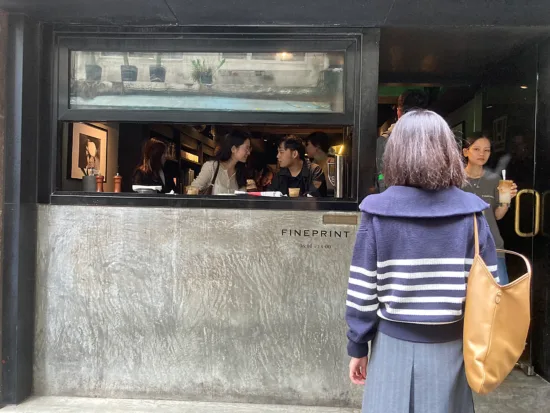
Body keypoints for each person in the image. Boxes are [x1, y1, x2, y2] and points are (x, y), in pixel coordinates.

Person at [346, 110, 499, 413]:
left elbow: (363, 292)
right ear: (448, 152)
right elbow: (490, 291)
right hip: (452, 347)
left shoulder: (377, 212)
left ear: (396, 154)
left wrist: (358, 346)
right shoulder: (471, 213)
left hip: (391, 346)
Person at [462, 133, 518, 285]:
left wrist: (506, 199)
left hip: (493, 245)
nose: (482, 154)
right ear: (466, 152)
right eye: (477, 149)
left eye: (486, 150)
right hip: (463, 247)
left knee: (498, 294)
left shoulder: (494, 179)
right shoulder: (455, 180)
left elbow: (498, 216)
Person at [376, 89, 429, 192]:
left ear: (399, 112)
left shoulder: (384, 142)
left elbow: (381, 177)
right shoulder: (436, 141)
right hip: (427, 203)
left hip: (394, 201)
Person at [190, 130, 251, 195]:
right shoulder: (211, 167)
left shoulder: (240, 173)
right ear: (233, 149)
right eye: (246, 148)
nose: (249, 152)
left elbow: (242, 201)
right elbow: (193, 190)